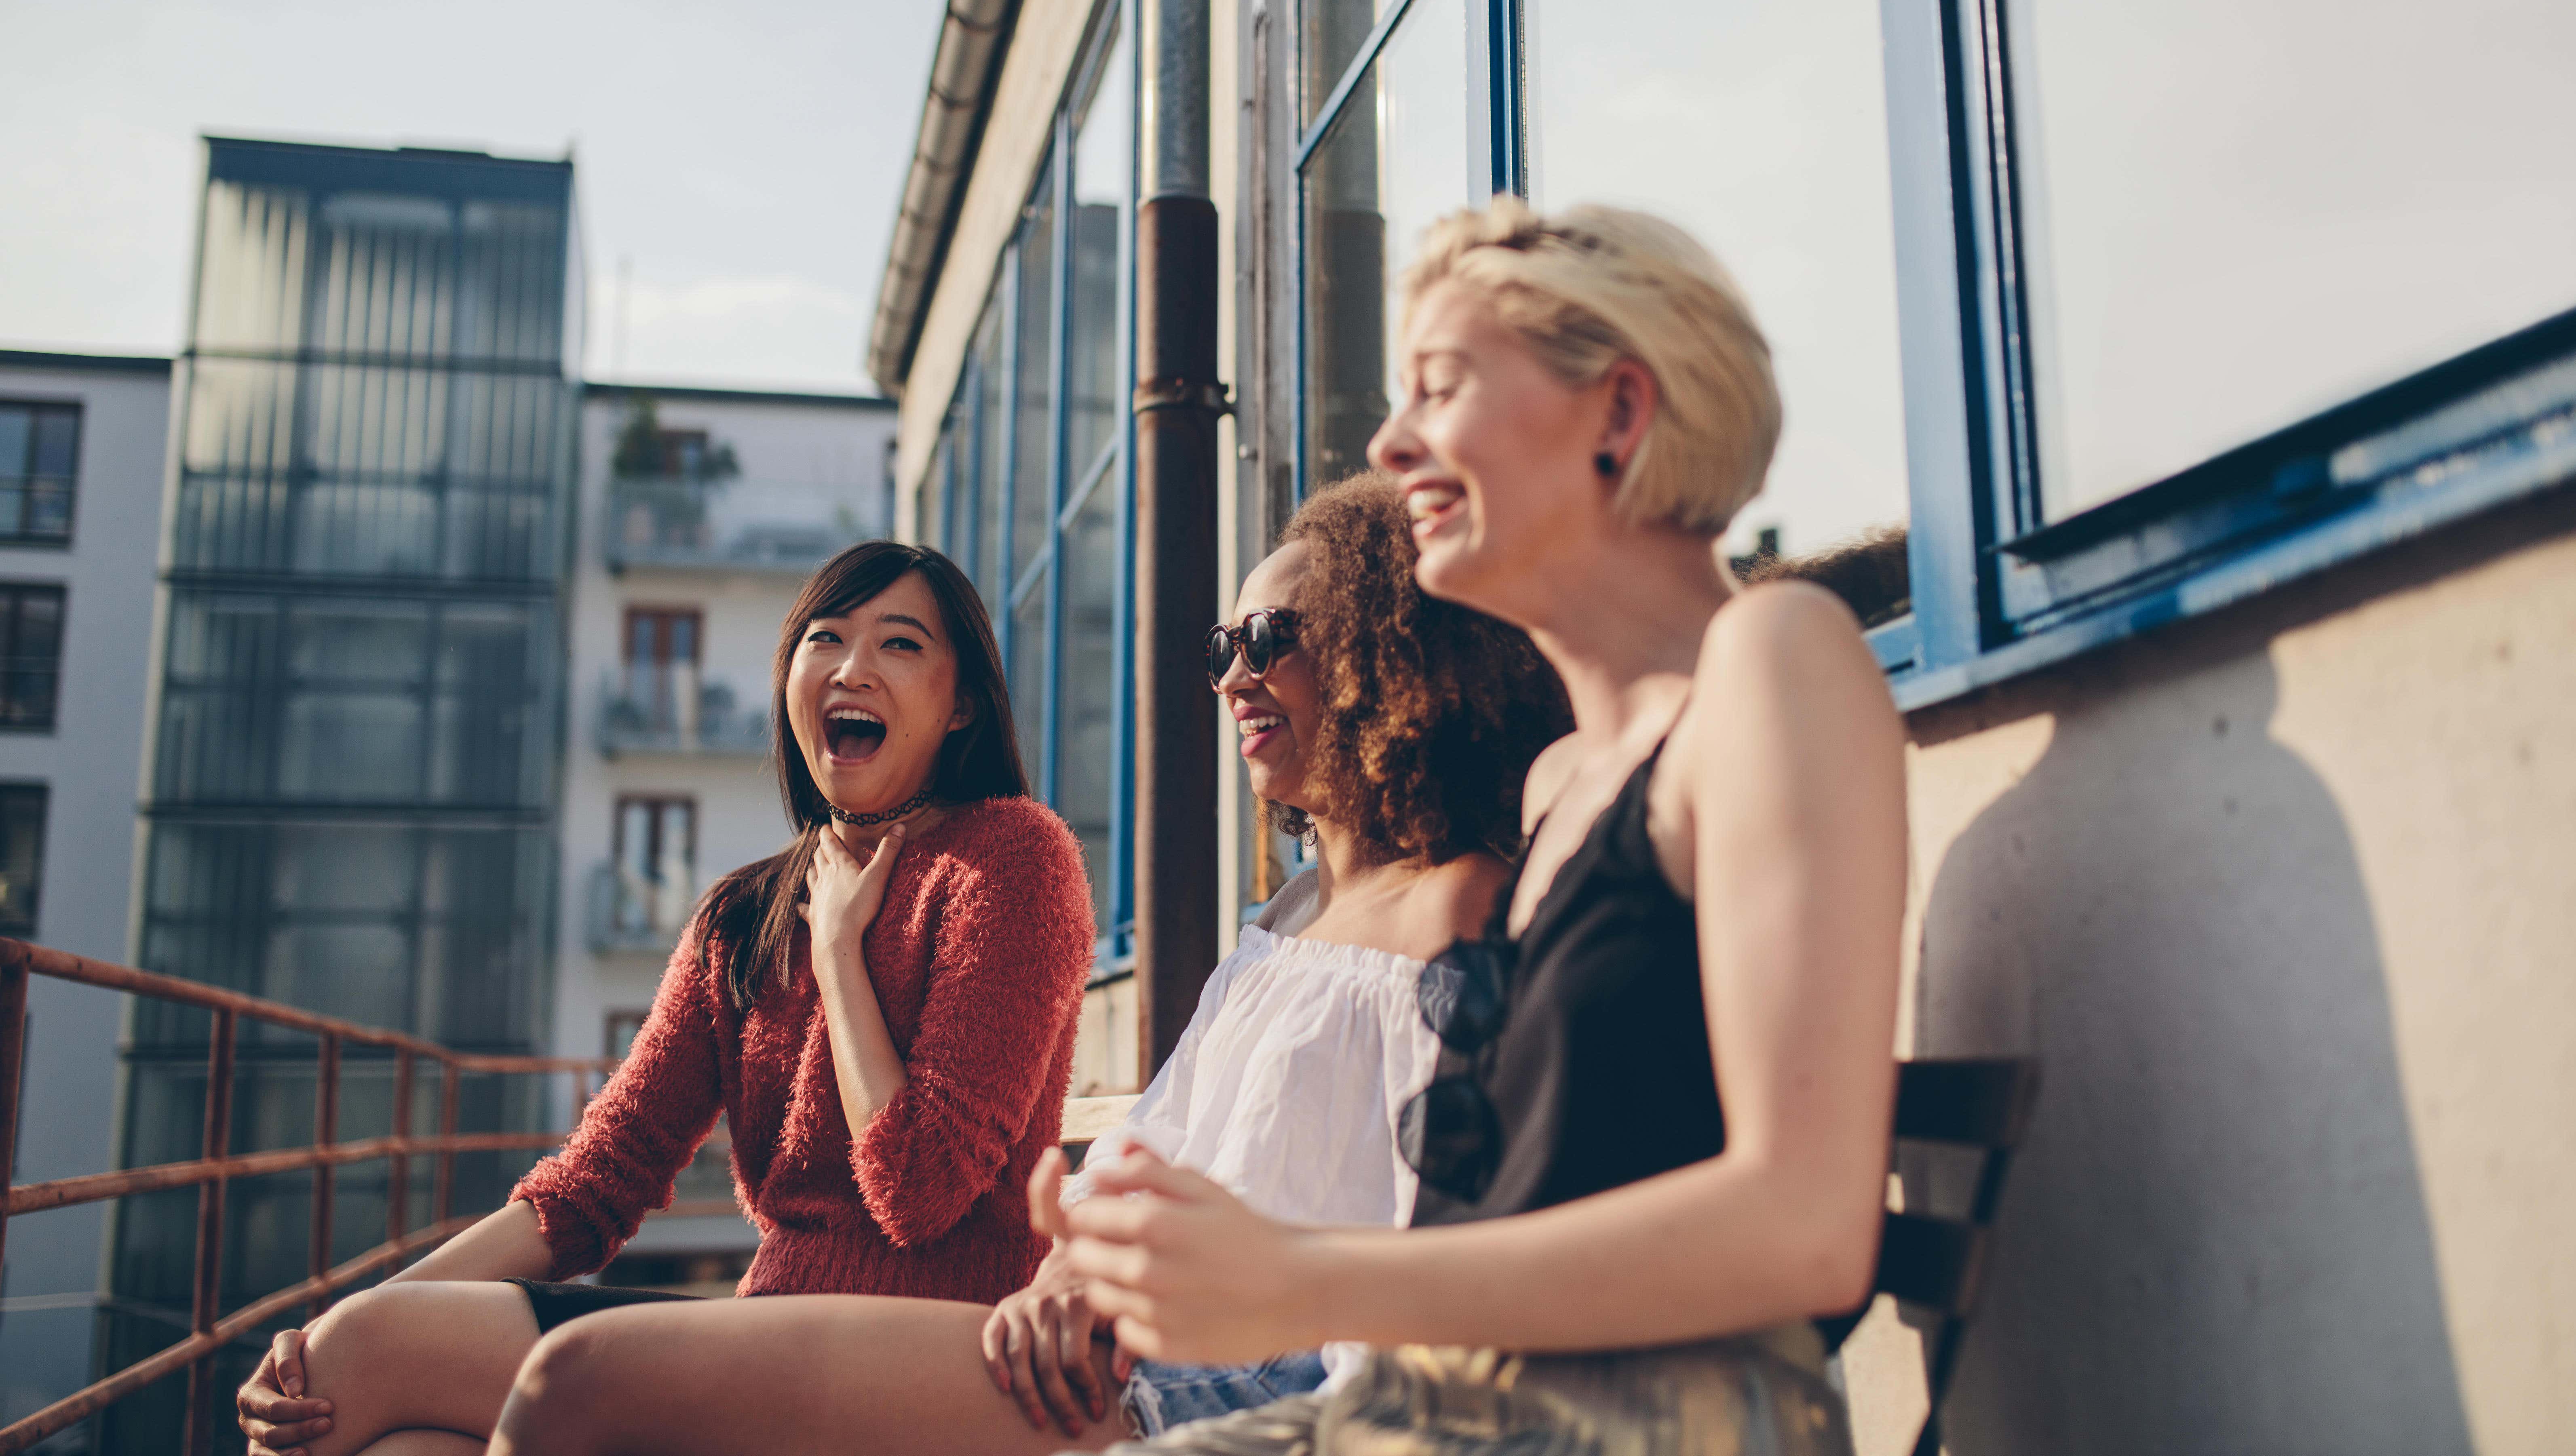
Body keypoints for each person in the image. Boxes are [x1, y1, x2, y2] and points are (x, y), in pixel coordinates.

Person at [1041, 196, 1909, 1456]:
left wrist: (1303, 1274)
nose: (1393, 447)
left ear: (1621, 412)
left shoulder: (1772, 662)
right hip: (1439, 1411)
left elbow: (1806, 1227)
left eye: (1440, 390)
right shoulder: (1564, 784)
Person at [472, 470, 1573, 1456]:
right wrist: (1071, 1275)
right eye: (1217, 647)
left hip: (1202, 1377)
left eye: (1270, 634)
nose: (1233, 675)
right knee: (390, 1387)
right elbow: (1154, 1152)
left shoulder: (1457, 909)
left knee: (577, 1384)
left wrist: (841, 956)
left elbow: (1439, 1254)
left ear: (1385, 651)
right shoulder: (1285, 917)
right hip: (1092, 1344)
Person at [234, 542, 1094, 1456]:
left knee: (364, 1353)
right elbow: (597, 1182)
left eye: (901, 645)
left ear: (960, 704)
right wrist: (341, 1324)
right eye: (827, 638)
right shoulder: (744, 918)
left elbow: (916, 1191)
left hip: (930, 1358)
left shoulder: (1010, 861)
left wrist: (839, 947)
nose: (853, 668)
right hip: (765, 1338)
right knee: (351, 1391)